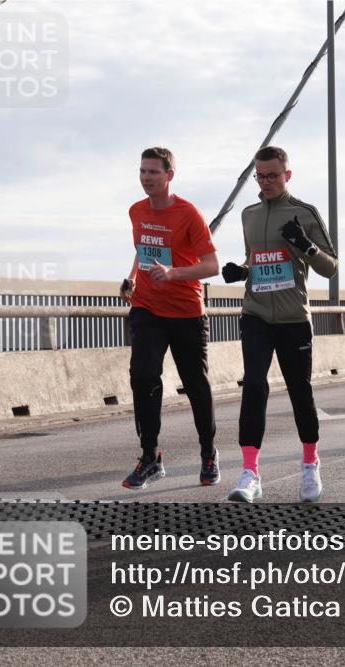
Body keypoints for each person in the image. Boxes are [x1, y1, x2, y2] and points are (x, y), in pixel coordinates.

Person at [221, 146, 338, 503]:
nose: (266, 182)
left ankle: (310, 464)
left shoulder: (305, 213)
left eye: (273, 175)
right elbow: (255, 260)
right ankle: (250, 473)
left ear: (288, 175)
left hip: (293, 319)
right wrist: (241, 271)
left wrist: (306, 246)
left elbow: (330, 267)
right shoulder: (249, 214)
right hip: (256, 314)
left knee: (300, 391)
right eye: (260, 175)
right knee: (254, 386)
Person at [121, 147, 220, 489]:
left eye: (153, 172)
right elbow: (143, 250)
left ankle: (208, 452)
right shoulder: (136, 211)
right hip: (147, 306)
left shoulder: (188, 213)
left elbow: (212, 265)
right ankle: (150, 457)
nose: (146, 178)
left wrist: (174, 273)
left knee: (196, 385)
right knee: (143, 375)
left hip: (186, 311)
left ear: (169, 176)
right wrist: (133, 277)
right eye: (142, 171)